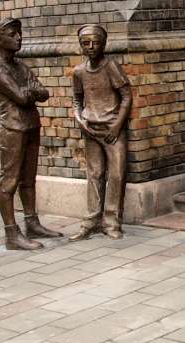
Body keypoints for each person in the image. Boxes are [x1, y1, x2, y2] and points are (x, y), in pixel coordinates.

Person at [0, 17, 63, 250]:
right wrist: (32, 91)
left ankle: (32, 223)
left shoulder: (21, 66)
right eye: (13, 34)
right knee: (9, 181)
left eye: (19, 33)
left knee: (29, 179)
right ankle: (12, 234)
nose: (19, 38)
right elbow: (22, 96)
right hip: (12, 129)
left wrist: (31, 91)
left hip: (31, 125)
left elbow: (44, 92)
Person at [68, 24, 133, 241]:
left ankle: (112, 222)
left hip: (112, 129)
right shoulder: (79, 72)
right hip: (91, 129)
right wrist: (80, 120)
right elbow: (77, 100)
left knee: (116, 174)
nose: (91, 46)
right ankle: (91, 221)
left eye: (96, 42)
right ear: (81, 46)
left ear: (104, 43)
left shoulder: (111, 66)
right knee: (94, 174)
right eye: (86, 43)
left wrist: (117, 125)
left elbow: (126, 96)